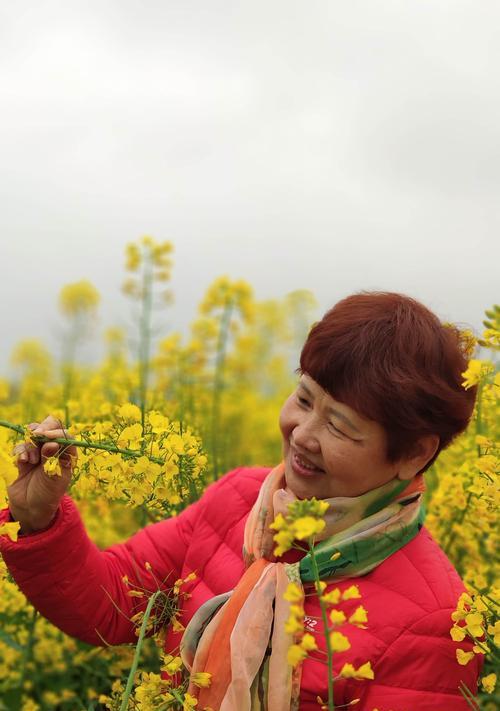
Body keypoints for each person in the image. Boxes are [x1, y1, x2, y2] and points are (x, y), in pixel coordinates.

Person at [0, 291, 481, 710]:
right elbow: (109, 605)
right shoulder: (239, 499)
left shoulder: (437, 621)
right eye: (305, 399)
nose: (303, 435)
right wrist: (37, 514)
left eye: (339, 426)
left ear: (414, 453)